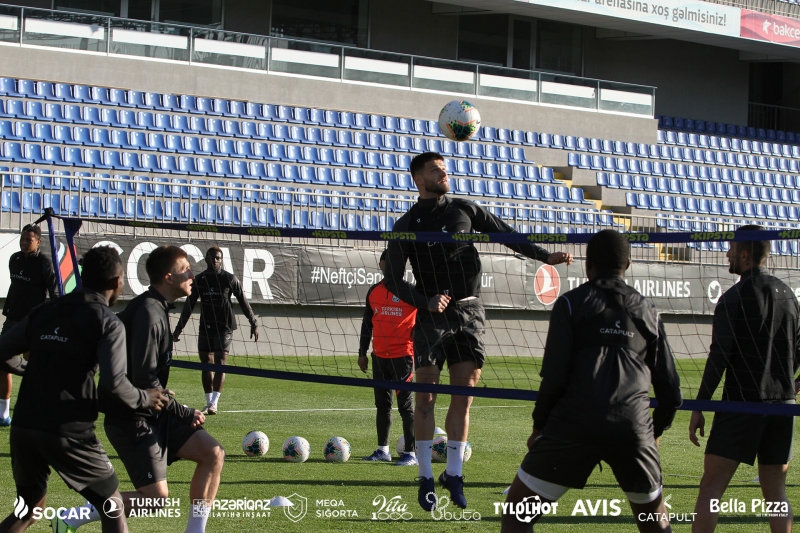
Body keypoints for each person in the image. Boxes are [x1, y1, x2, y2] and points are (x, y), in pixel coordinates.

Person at [383, 152, 574, 511]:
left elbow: (505, 234)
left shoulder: (464, 209)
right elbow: (392, 279)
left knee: (464, 394)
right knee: (424, 399)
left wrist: (544, 256)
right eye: (435, 170)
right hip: (431, 319)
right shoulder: (405, 223)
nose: (443, 173)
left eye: (444, 169)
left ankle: (453, 474)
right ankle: (425, 476)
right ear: (418, 179)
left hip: (469, 313)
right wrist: (424, 301)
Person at [501, 229, 682, 533]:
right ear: (627, 264)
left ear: (588, 264)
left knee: (516, 517)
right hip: (632, 428)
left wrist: (539, 428)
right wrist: (654, 431)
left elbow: (554, 378)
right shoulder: (649, 311)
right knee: (655, 525)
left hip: (574, 424)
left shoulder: (570, 304)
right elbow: (671, 392)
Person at [0, 246, 168, 533]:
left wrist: (32, 369)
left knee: (29, 508)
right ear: (117, 282)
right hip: (68, 429)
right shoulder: (107, 322)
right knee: (112, 505)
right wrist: (145, 398)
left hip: (25, 424)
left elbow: (3, 349)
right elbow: (115, 384)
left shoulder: (45, 310)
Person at [58, 246, 225, 533]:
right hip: (130, 417)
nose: (192, 274)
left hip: (153, 410)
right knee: (154, 500)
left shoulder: (156, 307)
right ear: (168, 277)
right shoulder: (149, 311)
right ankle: (72, 516)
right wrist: (184, 412)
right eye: (185, 268)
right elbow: (144, 380)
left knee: (213, 453)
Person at [689, 225, 799, 533]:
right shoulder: (789, 296)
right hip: (783, 407)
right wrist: (792, 385)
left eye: (730, 249)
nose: (726, 253)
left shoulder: (733, 297)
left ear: (745, 255)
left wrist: (699, 405)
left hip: (742, 403)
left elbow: (718, 356)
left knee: (711, 489)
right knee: (776, 492)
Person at [173, 246, 259, 415]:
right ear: (206, 259)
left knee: (220, 363)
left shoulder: (229, 279)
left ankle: (214, 403)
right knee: (206, 364)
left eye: (218, 258)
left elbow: (243, 301)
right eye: (212, 258)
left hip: (224, 326)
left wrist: (253, 321)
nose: (215, 260)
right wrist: (178, 330)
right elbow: (189, 306)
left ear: (222, 260)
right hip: (206, 326)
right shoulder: (200, 280)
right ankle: (208, 402)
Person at [359, 249, 418, 467]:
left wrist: (418, 335)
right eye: (388, 261)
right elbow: (367, 324)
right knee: (382, 405)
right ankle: (382, 450)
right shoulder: (374, 291)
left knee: (406, 407)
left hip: (403, 358)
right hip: (378, 357)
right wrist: (362, 353)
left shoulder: (411, 292)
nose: (391, 265)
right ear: (381, 264)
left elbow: (428, 316)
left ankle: (410, 454)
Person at [0, 224, 57, 427]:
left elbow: (55, 292)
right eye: (22, 239)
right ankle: (3, 414)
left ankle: (37, 409)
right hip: (12, 319)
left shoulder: (44, 263)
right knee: (2, 360)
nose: (24, 243)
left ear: (38, 242)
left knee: (33, 363)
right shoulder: (14, 259)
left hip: (34, 322)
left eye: (29, 240)